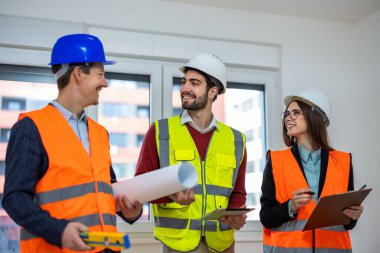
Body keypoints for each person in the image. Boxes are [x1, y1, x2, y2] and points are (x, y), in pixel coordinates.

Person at [2, 34, 142, 253]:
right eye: (100, 74)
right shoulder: (31, 127)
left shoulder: (100, 133)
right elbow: (14, 199)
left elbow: (105, 192)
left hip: (105, 248)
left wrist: (129, 212)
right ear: (78, 73)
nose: (104, 83)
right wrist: (59, 231)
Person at [135, 53, 248, 253]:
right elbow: (141, 186)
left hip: (222, 243)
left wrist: (236, 215)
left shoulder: (236, 139)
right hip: (178, 243)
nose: (185, 88)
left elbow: (237, 193)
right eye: (184, 82)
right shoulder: (161, 132)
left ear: (213, 91)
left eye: (194, 83)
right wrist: (170, 194)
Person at [260, 88, 364, 252]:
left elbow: (346, 223)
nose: (288, 118)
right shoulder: (275, 161)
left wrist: (353, 216)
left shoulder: (343, 162)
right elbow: (266, 217)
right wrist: (291, 206)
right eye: (286, 114)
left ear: (315, 117)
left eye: (296, 112)